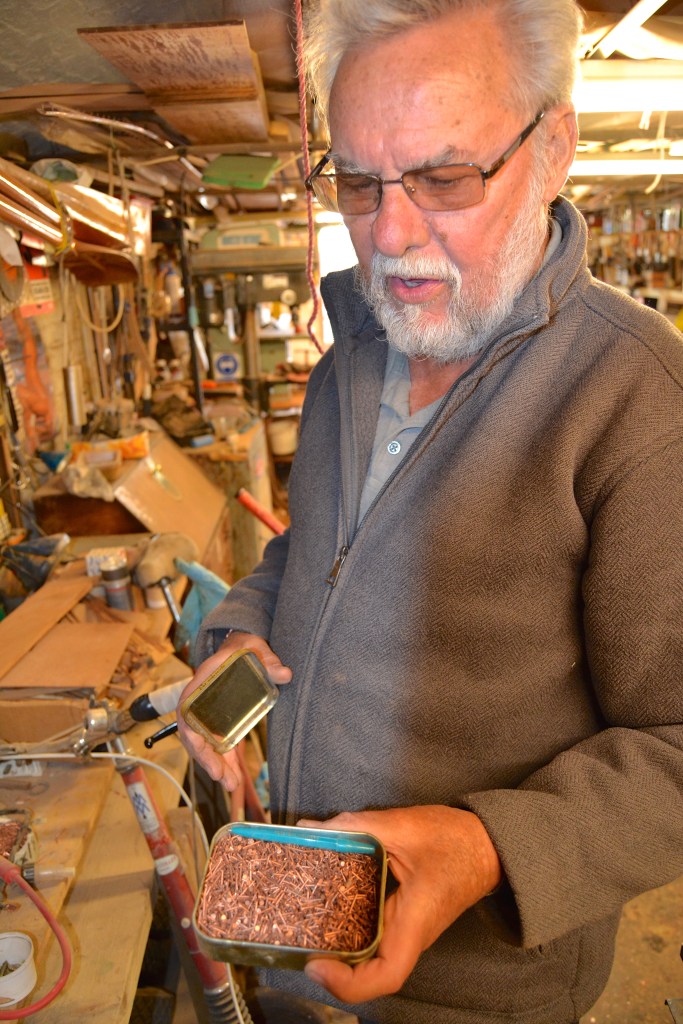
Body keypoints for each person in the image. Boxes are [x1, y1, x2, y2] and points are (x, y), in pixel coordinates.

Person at [178, 1, 683, 1021]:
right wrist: (237, 631)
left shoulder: (637, 402)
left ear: (551, 149)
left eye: (444, 178)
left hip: (476, 988)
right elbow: (314, 553)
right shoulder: (352, 361)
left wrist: (488, 845)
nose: (390, 234)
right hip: (296, 920)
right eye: (357, 183)